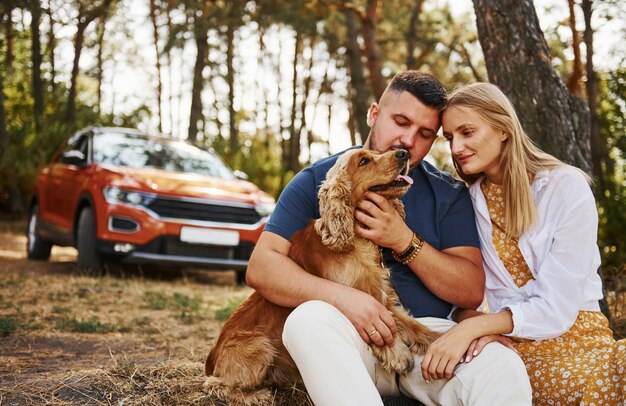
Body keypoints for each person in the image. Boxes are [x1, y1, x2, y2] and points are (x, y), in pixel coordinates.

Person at [246, 71, 532, 406]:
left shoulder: (448, 193)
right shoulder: (318, 180)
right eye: (400, 122)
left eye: (425, 134)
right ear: (374, 114)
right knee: (306, 321)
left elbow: (469, 290)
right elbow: (262, 267)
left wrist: (403, 241)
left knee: (502, 366)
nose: (408, 141)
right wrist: (346, 301)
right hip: (348, 338)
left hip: (428, 339)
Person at [425, 82, 626, 405]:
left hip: (583, 338)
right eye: (449, 137)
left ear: (503, 128)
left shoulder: (565, 187)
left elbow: (556, 308)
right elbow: (463, 295)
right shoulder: (463, 204)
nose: (456, 147)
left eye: (467, 132)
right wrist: (477, 327)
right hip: (516, 349)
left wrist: (473, 329)